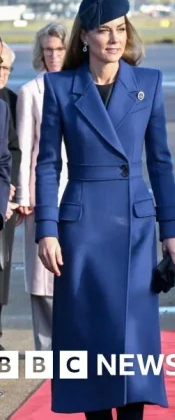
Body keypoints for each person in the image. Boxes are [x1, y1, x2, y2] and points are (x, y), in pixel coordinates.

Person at [35, 0, 175, 419]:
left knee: (134, 342)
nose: (114, 38)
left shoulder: (150, 82)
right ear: (84, 35)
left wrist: (173, 232)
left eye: (121, 28)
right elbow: (48, 164)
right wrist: (47, 229)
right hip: (81, 229)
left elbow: (160, 162)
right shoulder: (60, 88)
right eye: (104, 29)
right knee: (89, 337)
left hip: (136, 229)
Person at [16, 21, 69, 351]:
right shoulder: (30, 92)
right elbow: (23, 148)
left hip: (76, 194)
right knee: (42, 279)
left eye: (59, 49)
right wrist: (23, 194)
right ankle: (48, 352)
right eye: (48, 50)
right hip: (40, 195)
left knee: (73, 273)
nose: (53, 56)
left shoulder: (82, 86)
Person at [0, 38, 20, 351]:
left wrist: (9, 188)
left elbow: (11, 152)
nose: (3, 72)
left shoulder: (7, 103)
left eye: (7, 67)